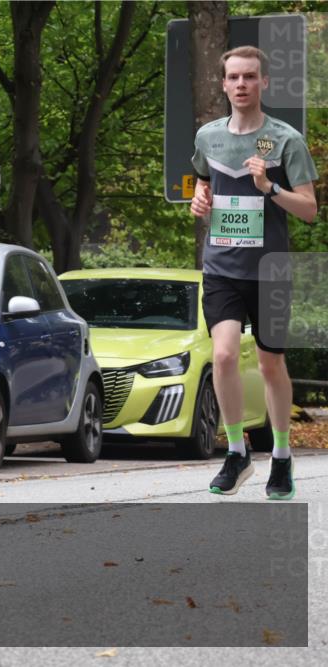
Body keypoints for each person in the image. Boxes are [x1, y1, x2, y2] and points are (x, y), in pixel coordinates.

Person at [190, 46, 318, 499]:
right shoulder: (207, 137)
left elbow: (309, 210)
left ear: (263, 83)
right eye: (233, 77)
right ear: (223, 84)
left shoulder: (286, 140)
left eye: (249, 77)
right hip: (222, 266)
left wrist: (269, 187)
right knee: (223, 355)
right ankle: (236, 450)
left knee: (270, 363)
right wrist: (198, 199)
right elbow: (203, 182)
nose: (241, 84)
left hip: (270, 271)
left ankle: (281, 457)